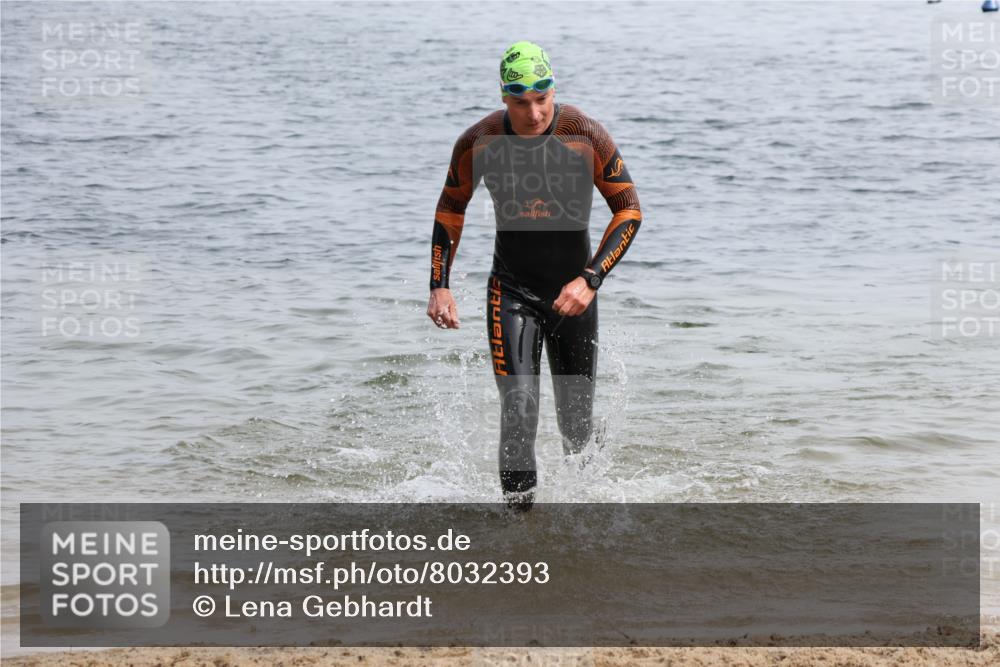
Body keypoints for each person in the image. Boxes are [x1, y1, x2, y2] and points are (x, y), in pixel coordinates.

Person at [425, 41, 642, 509]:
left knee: (576, 425)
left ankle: (586, 521)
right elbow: (450, 207)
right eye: (521, 102)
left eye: (542, 99)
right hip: (512, 292)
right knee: (519, 412)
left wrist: (590, 278)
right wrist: (439, 285)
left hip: (574, 294)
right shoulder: (479, 141)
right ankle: (519, 535)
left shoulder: (583, 134)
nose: (534, 112)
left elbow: (628, 210)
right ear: (505, 98)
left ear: (553, 91)